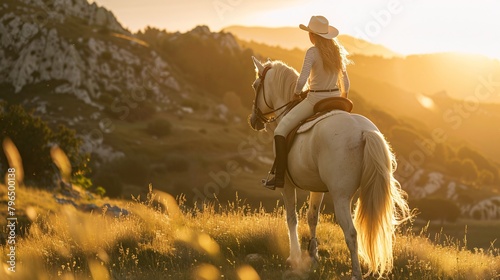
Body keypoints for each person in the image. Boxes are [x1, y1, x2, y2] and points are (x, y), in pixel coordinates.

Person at [266, 15, 351, 189]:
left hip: (315, 99)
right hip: (336, 98)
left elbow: (302, 79)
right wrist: (342, 97)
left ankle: (279, 177)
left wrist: (297, 94)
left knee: (280, 130)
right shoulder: (338, 53)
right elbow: (346, 83)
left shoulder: (312, 52)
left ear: (312, 35)